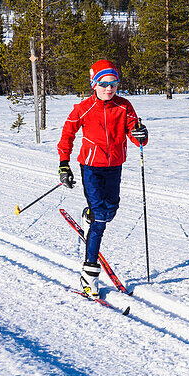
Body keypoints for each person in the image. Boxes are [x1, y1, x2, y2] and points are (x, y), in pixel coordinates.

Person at [57, 59, 148, 296]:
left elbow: (135, 134)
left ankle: (89, 214)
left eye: (114, 83)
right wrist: (64, 165)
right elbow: (67, 135)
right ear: (94, 84)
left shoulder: (124, 106)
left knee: (110, 211)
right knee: (99, 218)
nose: (109, 88)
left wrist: (141, 134)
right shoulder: (83, 108)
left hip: (114, 165)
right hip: (90, 167)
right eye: (104, 83)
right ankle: (89, 275)